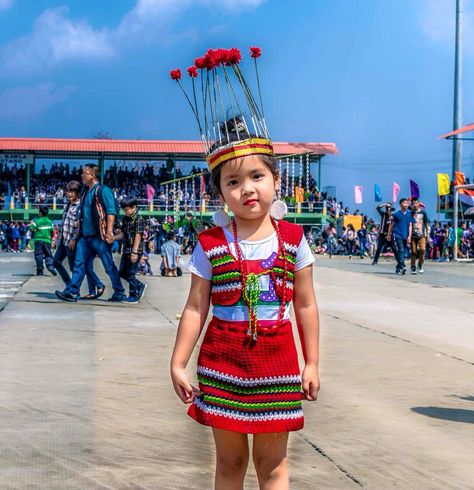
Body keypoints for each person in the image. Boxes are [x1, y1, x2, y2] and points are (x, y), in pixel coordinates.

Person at [170, 130, 320, 489]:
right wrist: (177, 362)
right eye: (233, 181)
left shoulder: (295, 240)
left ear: (276, 180)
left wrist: (311, 362)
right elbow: (195, 308)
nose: (247, 189)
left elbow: (305, 304)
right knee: (230, 461)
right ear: (220, 193)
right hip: (222, 363)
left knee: (272, 464)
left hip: (277, 364)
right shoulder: (209, 244)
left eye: (257, 176)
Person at [55, 164, 126, 302]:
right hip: (85, 236)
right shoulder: (85, 192)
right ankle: (72, 291)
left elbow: (111, 211)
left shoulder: (103, 190)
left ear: (92, 175)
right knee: (79, 264)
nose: (82, 175)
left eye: (84, 173)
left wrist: (109, 232)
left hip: (99, 236)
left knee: (108, 265)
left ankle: (119, 292)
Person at [53, 180, 105, 299]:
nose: (69, 194)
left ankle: (73, 291)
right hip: (63, 240)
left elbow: (79, 225)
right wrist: (57, 239)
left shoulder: (80, 206)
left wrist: (74, 239)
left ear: (77, 193)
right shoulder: (68, 205)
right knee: (56, 262)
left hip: (72, 241)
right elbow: (64, 223)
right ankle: (70, 285)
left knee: (75, 267)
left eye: (72, 191)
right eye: (67, 191)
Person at [114, 197, 147, 303]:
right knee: (123, 273)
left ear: (134, 207)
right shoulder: (126, 219)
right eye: (124, 210)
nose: (125, 212)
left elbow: (138, 236)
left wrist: (134, 252)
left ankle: (134, 295)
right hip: (127, 249)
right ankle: (140, 285)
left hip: (135, 250)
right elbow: (123, 234)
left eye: (127, 209)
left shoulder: (139, 219)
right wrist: (113, 238)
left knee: (131, 273)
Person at [387, 198, 415, 275]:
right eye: (404, 203)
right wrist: (389, 234)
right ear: (400, 205)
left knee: (403, 252)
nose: (406, 204)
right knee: (401, 250)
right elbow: (391, 225)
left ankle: (398, 267)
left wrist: (409, 236)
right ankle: (402, 266)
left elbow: (410, 225)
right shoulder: (396, 214)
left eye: (407, 203)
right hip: (398, 235)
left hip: (406, 235)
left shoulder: (409, 214)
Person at [29, 206, 57, 276]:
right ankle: (50, 266)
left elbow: (31, 229)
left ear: (40, 213)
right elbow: (53, 231)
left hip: (38, 240)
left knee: (39, 255)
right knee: (48, 254)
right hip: (47, 241)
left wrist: (32, 224)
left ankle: (40, 270)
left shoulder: (37, 221)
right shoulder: (50, 222)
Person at [409, 197, 429, 274]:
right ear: (411, 204)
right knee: (413, 251)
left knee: (422, 249)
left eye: (416, 203)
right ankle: (413, 266)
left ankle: (420, 264)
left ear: (419, 204)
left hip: (422, 234)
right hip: (413, 235)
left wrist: (427, 233)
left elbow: (426, 223)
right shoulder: (410, 213)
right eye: (413, 203)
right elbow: (409, 224)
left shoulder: (423, 213)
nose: (415, 205)